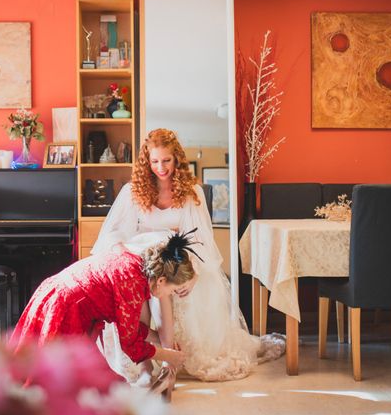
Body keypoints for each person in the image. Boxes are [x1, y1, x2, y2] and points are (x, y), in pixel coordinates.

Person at [92, 128, 285, 383]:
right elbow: (114, 234)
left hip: (176, 261)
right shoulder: (132, 192)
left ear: (177, 159)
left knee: (170, 288)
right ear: (146, 162)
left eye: (167, 160)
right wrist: (121, 254)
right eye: (155, 161)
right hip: (142, 261)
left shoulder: (191, 192)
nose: (161, 167)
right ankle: (147, 363)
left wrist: (192, 275)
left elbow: (199, 240)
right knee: (140, 292)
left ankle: (168, 362)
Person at [10, 231, 200, 373]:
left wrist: (158, 339)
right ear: (161, 281)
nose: (171, 294)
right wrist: (168, 356)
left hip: (56, 293)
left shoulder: (135, 266)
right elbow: (130, 344)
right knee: (63, 377)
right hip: (65, 307)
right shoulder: (132, 284)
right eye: (173, 290)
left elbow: (130, 327)